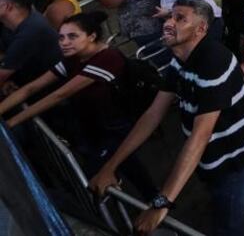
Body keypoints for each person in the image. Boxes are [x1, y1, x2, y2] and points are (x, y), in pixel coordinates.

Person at [88, 0, 244, 235]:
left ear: (200, 29)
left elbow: (200, 136)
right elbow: (153, 114)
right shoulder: (179, 61)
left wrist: (161, 203)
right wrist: (112, 166)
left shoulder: (213, 62)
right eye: (170, 16)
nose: (169, 22)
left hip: (232, 160)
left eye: (180, 18)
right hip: (231, 154)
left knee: (228, 226)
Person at [0, 12, 156, 197]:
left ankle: (149, 202)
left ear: (92, 36)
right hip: (93, 126)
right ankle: (145, 198)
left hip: (114, 126)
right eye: (61, 37)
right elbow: (31, 88)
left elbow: (59, 94)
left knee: (107, 170)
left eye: (72, 36)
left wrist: (11, 122)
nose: (64, 42)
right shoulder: (73, 58)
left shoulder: (108, 58)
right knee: (125, 165)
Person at [0, 0, 61, 91]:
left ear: (7, 7)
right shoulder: (14, 22)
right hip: (23, 78)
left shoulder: (31, 31)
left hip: (45, 89)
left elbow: (2, 74)